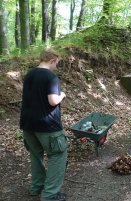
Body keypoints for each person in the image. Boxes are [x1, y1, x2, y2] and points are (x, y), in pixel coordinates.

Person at [20, 48, 68, 201]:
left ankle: (37, 187)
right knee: (58, 155)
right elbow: (53, 100)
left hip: (28, 124)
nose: (56, 67)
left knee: (35, 155)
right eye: (56, 63)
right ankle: (50, 194)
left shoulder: (29, 74)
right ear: (52, 60)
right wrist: (62, 95)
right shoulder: (50, 76)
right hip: (48, 126)